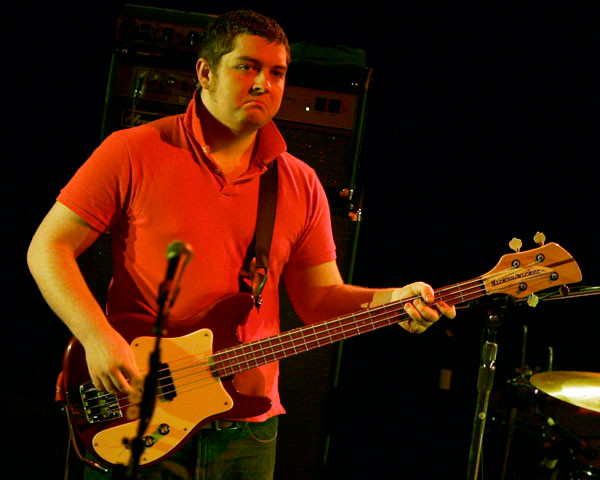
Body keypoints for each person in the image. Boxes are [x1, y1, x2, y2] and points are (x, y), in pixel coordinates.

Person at [27, 10, 456, 480]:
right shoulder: (132, 150)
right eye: (247, 66)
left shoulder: (300, 182)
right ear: (205, 72)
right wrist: (97, 337)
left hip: (248, 431)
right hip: (140, 410)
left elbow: (318, 300)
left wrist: (391, 301)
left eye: (277, 72)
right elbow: (47, 248)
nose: (263, 84)